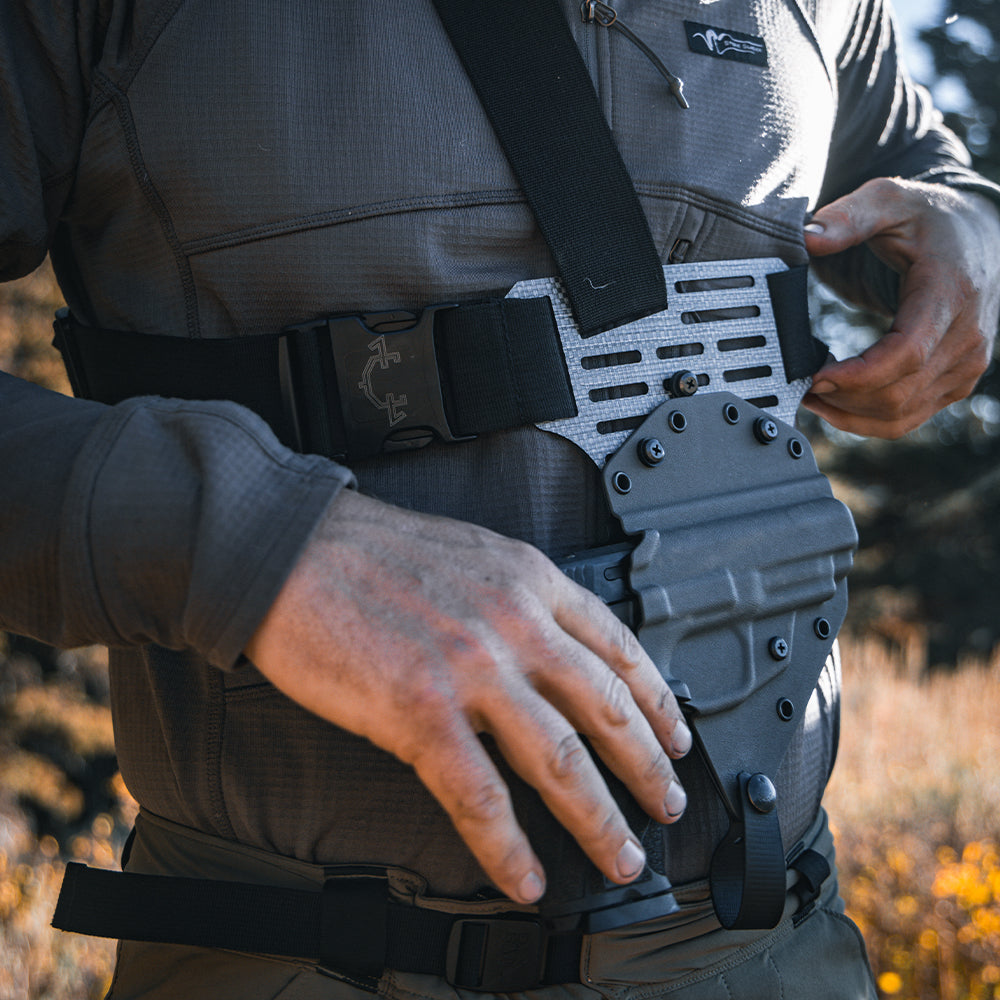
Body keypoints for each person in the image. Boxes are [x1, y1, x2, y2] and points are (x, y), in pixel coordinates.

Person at [1, 1, 998, 997]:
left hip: (779, 951)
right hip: (311, 957)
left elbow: (919, 162)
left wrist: (970, 229)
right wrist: (261, 545)